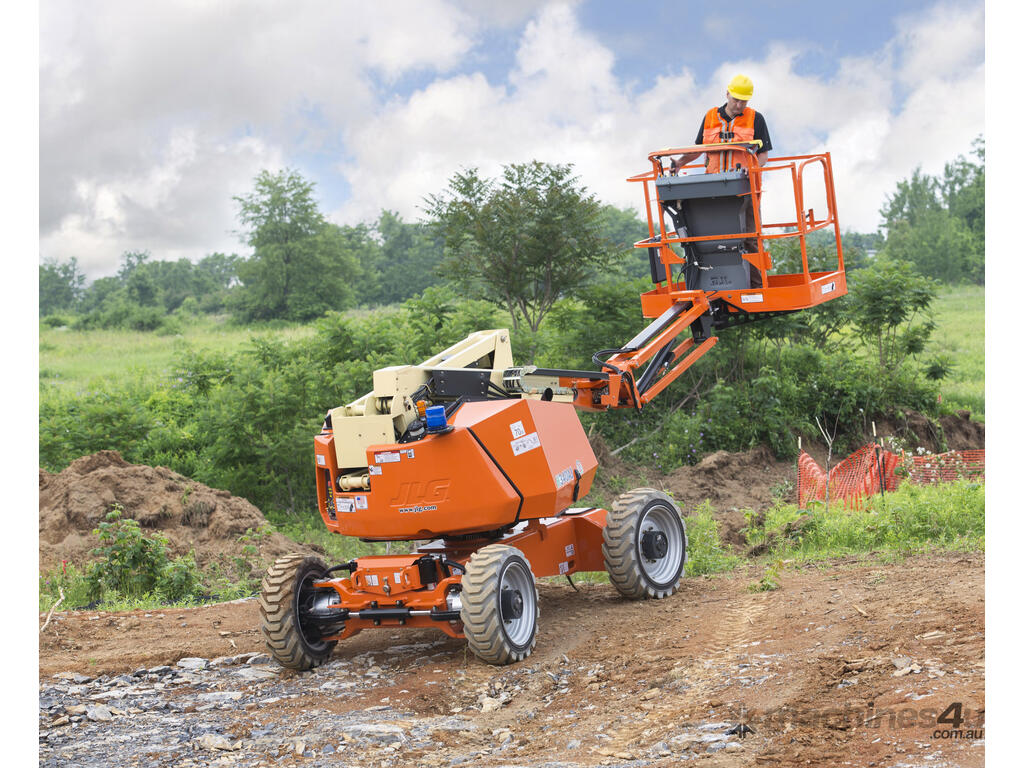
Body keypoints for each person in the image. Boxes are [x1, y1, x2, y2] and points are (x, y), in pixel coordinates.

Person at [671, 74, 772, 174]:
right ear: (727, 94)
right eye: (736, 100)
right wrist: (680, 162)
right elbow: (698, 148)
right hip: (713, 180)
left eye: (743, 102)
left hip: (744, 181)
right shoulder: (710, 117)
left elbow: (763, 155)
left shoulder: (756, 119)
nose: (739, 105)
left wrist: (752, 168)